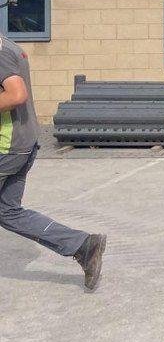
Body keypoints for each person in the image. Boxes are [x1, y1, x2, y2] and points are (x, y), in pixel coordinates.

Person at [0, 30, 106, 290]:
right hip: (23, 144)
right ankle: (83, 245)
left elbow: (16, 94)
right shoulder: (10, 46)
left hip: (7, 147)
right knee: (8, 212)